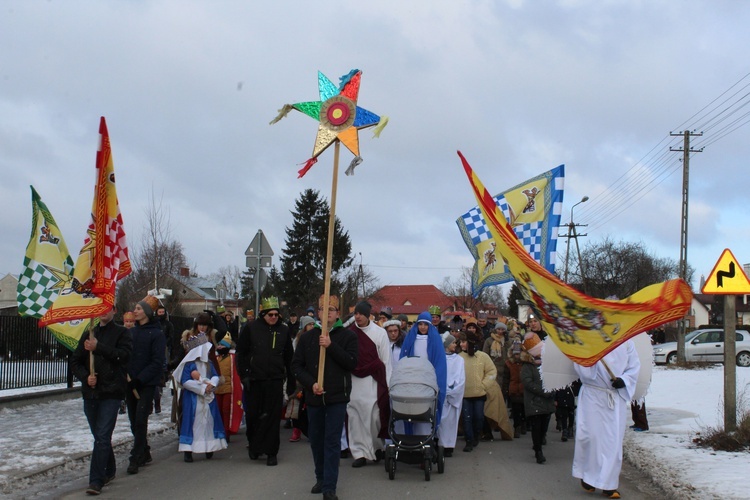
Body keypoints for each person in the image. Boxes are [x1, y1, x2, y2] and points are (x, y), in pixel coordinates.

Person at [292, 294, 358, 500]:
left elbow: (351, 363)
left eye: (331, 310)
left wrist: (331, 345)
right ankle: (320, 477)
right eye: (323, 310)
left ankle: (330, 485)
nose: (327, 313)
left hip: (337, 397)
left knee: (331, 441)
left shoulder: (347, 336)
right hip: (314, 397)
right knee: (316, 440)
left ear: (337, 313)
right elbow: (296, 366)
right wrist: (311, 384)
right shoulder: (308, 337)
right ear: (318, 312)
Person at [70, 305, 132, 496]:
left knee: (103, 435)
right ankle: (110, 468)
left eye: (108, 308)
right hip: (91, 393)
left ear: (114, 311)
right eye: (101, 308)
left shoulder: (121, 333)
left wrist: (99, 347)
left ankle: (96, 480)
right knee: (99, 436)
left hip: (112, 393)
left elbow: (124, 356)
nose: (104, 312)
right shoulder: (89, 332)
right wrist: (85, 377)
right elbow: (75, 361)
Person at [573, 339, 640, 499]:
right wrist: (591, 360)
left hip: (614, 397)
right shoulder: (588, 337)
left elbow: (634, 366)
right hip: (592, 395)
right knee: (591, 437)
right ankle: (588, 476)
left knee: (612, 441)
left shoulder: (627, 341)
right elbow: (580, 367)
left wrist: (624, 380)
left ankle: (609, 484)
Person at [236, 296, 294, 466]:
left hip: (275, 380)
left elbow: (289, 358)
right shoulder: (251, 329)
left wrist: (291, 381)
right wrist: (244, 375)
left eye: (276, 314)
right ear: (263, 315)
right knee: (254, 415)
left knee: (272, 417)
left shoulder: (283, 331)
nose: (273, 317)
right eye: (270, 314)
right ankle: (255, 446)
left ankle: (271, 452)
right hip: (254, 380)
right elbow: (242, 353)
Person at [347, 301, 391, 468]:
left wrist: (387, 384)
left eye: (360, 314)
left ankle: (377, 447)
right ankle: (359, 453)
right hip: (354, 381)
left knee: (374, 417)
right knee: (355, 417)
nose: (357, 317)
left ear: (368, 315)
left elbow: (386, 360)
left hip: (373, 381)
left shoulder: (380, 333)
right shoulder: (350, 333)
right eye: (355, 314)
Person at [126, 295, 167, 475]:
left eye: (138, 309)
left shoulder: (157, 334)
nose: (135, 311)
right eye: (135, 308)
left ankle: (135, 457)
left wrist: (140, 378)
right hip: (130, 383)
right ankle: (144, 450)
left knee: (141, 419)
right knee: (133, 421)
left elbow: (157, 361)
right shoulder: (131, 333)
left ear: (147, 313)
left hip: (147, 384)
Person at [173, 329, 227, 462]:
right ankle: (188, 449)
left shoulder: (208, 364)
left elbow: (215, 375)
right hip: (193, 399)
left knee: (208, 421)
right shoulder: (189, 364)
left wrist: (212, 384)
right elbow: (185, 381)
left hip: (208, 399)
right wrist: (203, 388)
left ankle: (209, 446)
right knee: (192, 423)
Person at [399, 311, 448, 435]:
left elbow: (439, 361)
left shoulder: (435, 339)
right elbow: (404, 357)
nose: (422, 327)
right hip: (413, 377)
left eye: (425, 324)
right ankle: (411, 437)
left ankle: (427, 438)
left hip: (428, 378)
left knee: (427, 409)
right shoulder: (411, 338)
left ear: (429, 325)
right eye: (420, 324)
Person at [458, 329, 496, 452]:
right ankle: (469, 440)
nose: (461, 344)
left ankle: (476, 435)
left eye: (464, 342)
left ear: (470, 342)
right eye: (460, 342)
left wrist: (483, 385)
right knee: (467, 418)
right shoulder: (459, 358)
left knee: (479, 417)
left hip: (479, 394)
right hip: (464, 394)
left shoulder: (482, 356)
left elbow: (491, 371)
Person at [519, 333, 555, 464]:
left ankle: (540, 441)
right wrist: (543, 391)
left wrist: (552, 388)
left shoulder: (546, 363)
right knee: (537, 426)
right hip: (534, 400)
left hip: (547, 400)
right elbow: (527, 382)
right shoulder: (527, 366)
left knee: (544, 426)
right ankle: (538, 450)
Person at [287, 315, 317, 443]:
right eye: (309, 324)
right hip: (300, 375)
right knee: (296, 404)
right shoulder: (298, 340)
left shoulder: (317, 337)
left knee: (308, 406)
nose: (311, 327)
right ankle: (296, 430)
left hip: (311, 375)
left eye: (313, 324)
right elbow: (295, 358)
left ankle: (311, 430)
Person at [436, 334, 465, 457]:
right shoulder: (439, 359)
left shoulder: (459, 360)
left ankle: (449, 446)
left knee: (451, 422)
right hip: (441, 395)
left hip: (453, 396)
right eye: (453, 343)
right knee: (440, 422)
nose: (455, 345)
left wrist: (453, 391)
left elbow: (461, 378)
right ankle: (440, 444)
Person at [213, 330, 243, 442]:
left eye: (222, 345)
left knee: (226, 411)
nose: (220, 347)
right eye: (219, 345)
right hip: (217, 389)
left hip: (228, 389)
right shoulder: (216, 358)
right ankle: (219, 431)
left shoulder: (232, 358)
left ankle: (226, 432)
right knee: (218, 411)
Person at [503, 337, 526, 438]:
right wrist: (506, 389)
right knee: (516, 409)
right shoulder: (509, 363)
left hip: (524, 389)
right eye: (515, 353)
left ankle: (524, 424)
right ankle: (517, 426)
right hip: (513, 389)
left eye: (519, 353)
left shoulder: (526, 363)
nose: (517, 355)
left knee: (524, 409)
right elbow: (506, 377)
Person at [154, 305, 174, 415]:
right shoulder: (154, 324)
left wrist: (166, 343)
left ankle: (163, 378)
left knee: (163, 365)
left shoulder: (168, 324)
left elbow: (171, 335)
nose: (161, 314)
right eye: (159, 312)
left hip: (165, 347)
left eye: (162, 312)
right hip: (155, 347)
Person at [119, 311, 136, 416]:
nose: (128, 324)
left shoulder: (135, 332)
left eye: (131, 321)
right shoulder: (120, 332)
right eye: (127, 321)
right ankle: (122, 403)